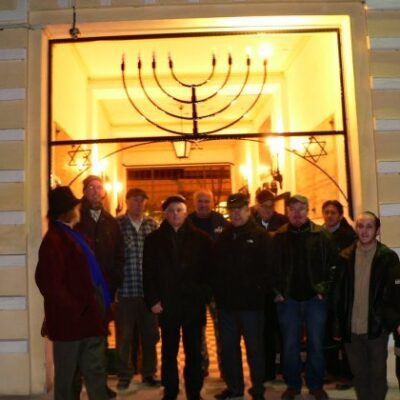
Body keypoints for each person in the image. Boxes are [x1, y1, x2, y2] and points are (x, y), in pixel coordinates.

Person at [35, 186, 111, 400]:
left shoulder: (73, 234)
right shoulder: (54, 240)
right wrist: (76, 309)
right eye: (74, 206)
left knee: (95, 370)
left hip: (89, 318)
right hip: (70, 322)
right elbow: (48, 283)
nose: (79, 209)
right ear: (66, 211)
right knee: (67, 379)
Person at [143, 195, 212, 400]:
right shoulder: (153, 240)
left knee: (194, 352)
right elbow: (148, 272)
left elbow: (210, 272)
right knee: (168, 352)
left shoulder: (201, 239)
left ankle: (194, 392)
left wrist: (204, 295)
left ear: (186, 211)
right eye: (171, 210)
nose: (175, 214)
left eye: (179, 210)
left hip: (193, 303)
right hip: (167, 304)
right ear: (165, 214)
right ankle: (170, 391)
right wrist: (153, 300)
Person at [273, 195, 338, 400]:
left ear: (308, 210)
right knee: (289, 345)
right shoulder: (279, 236)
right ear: (287, 212)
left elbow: (334, 266)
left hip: (315, 300)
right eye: (292, 209)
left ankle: (316, 384)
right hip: (288, 300)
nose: (297, 213)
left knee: (316, 344)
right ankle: (292, 385)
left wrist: (323, 290)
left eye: (301, 208)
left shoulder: (321, 235)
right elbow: (270, 268)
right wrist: (277, 292)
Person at [333, 211, 400, 400]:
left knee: (377, 374)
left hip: (377, 328)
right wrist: (337, 326)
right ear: (356, 229)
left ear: (377, 230)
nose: (364, 231)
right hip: (351, 329)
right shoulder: (345, 257)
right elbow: (337, 295)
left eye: (369, 226)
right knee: (359, 375)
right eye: (360, 226)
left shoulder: (388, 257)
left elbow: (396, 294)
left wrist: (393, 321)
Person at [212, 192, 272, 400]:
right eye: (232, 210)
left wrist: (259, 290)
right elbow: (216, 268)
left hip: (252, 306)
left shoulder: (261, 236)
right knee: (229, 349)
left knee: (255, 350)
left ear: (248, 210)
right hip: (227, 305)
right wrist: (217, 293)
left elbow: (269, 269)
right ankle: (234, 388)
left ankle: (258, 389)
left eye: (239, 209)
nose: (235, 213)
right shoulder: (224, 236)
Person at [75, 175, 124, 399]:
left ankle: (100, 385)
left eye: (99, 188)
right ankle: (76, 385)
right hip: (81, 289)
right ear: (84, 191)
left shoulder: (110, 221)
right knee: (79, 338)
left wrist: (115, 282)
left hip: (104, 290)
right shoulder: (76, 218)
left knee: (101, 338)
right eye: (91, 187)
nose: (95, 191)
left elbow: (119, 253)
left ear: (104, 192)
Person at [116, 188, 160, 391]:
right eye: (135, 199)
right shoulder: (117, 225)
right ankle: (124, 374)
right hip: (125, 291)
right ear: (127, 201)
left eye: (142, 200)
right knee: (124, 337)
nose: (139, 203)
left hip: (148, 293)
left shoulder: (152, 225)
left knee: (150, 335)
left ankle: (149, 373)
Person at [187, 189, 227, 378]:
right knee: (197, 329)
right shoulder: (187, 222)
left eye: (206, 201)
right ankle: (201, 366)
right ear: (194, 203)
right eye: (200, 201)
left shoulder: (221, 222)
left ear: (212, 202)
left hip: (217, 285)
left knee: (222, 329)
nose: (203, 204)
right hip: (195, 286)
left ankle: (225, 368)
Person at [253, 189, 288, 383]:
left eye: (271, 206)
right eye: (264, 206)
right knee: (264, 331)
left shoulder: (283, 222)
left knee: (284, 330)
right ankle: (267, 370)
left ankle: (286, 368)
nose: (268, 210)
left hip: (280, 284)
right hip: (261, 287)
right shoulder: (250, 223)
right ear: (257, 206)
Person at [321, 200, 356, 390]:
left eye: (333, 212)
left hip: (343, 291)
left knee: (344, 333)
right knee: (326, 332)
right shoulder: (319, 234)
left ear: (341, 215)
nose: (329, 215)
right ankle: (331, 370)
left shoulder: (349, 236)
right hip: (325, 291)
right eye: (326, 212)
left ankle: (348, 374)